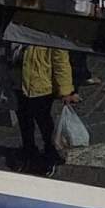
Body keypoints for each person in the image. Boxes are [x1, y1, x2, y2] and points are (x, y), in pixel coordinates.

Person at [18, 44, 80, 177]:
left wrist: (65, 91)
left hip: (42, 86)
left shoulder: (50, 36)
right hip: (19, 84)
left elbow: (61, 62)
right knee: (24, 121)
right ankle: (29, 152)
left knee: (44, 123)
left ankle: (51, 154)